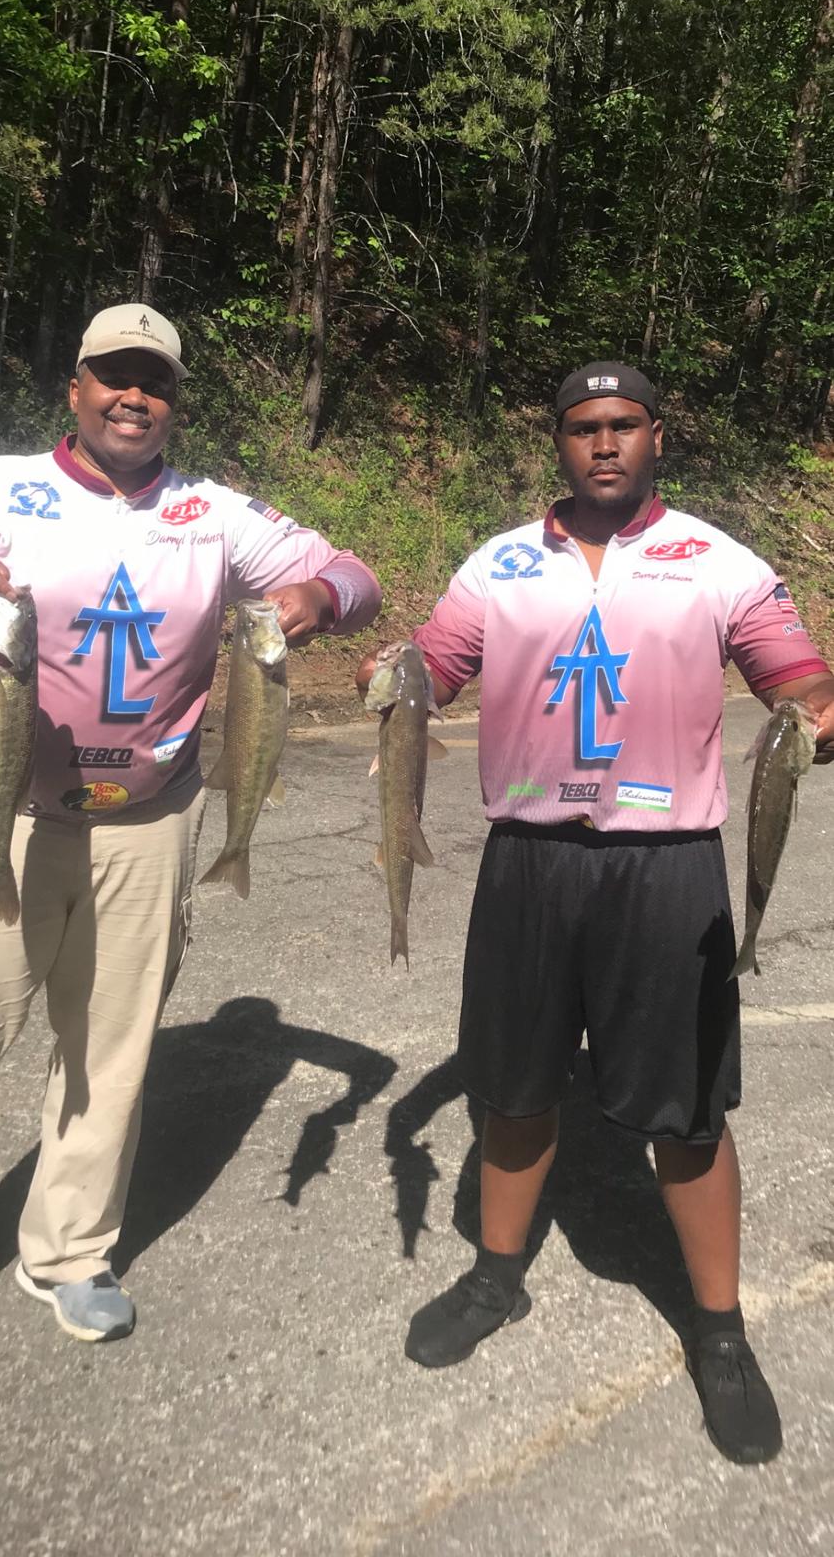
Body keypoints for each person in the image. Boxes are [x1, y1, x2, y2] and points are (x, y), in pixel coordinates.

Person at [357, 360, 834, 1465]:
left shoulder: (719, 560)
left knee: (688, 1113)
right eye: (583, 427)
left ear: (657, 435)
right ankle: (495, 1274)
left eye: (624, 424)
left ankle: (719, 1331)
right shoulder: (499, 563)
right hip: (529, 860)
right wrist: (400, 672)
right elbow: (434, 665)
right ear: (559, 443)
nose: (604, 443)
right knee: (515, 1089)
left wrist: (815, 712)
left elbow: (797, 678)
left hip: (666, 870)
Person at [0, 303, 382, 1342]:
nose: (134, 397)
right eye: (113, 376)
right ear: (76, 386)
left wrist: (319, 593)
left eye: (156, 382)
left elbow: (356, 580)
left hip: (149, 817)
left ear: (177, 402)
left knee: (113, 1045)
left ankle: (70, 1251)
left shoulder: (216, 513)